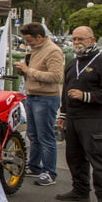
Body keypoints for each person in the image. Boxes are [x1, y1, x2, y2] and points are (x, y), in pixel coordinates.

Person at [55, 26, 102, 202]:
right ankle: (80, 190)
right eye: (74, 39)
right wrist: (63, 114)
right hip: (73, 117)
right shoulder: (72, 63)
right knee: (74, 156)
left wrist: (86, 96)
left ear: (92, 40)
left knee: (98, 157)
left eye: (81, 39)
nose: (77, 42)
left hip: (94, 117)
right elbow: (66, 92)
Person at [14, 22, 65, 186]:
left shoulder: (53, 51)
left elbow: (56, 77)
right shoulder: (36, 49)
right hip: (33, 95)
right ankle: (35, 166)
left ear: (40, 37)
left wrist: (29, 71)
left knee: (45, 136)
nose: (28, 44)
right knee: (33, 135)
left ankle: (50, 172)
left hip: (46, 98)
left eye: (30, 40)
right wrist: (23, 70)